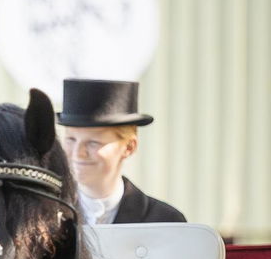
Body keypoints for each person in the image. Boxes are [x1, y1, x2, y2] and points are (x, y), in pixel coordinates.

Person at [57, 78, 185, 225]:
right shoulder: (45, 216)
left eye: (93, 143)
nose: (78, 153)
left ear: (129, 147)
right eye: (71, 139)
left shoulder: (165, 222)